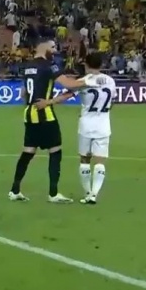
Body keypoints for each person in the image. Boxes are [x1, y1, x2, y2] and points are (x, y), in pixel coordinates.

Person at [7, 38, 96, 203]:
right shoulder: (49, 65)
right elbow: (69, 84)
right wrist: (90, 80)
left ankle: (14, 190)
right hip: (45, 114)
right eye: (52, 47)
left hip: (30, 113)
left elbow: (23, 94)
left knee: (28, 152)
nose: (55, 50)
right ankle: (53, 193)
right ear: (43, 47)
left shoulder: (27, 66)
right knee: (55, 151)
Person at [38, 52, 115, 204]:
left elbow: (65, 96)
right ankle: (94, 194)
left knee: (85, 159)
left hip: (86, 124)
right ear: (101, 65)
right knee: (100, 161)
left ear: (86, 64)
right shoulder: (111, 81)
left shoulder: (82, 81)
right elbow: (111, 102)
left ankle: (87, 193)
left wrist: (47, 102)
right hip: (103, 124)